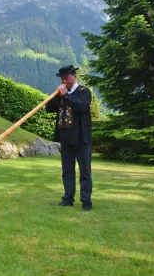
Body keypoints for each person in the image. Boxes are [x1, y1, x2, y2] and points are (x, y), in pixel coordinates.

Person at [45, 65, 93, 211]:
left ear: (74, 76)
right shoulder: (61, 93)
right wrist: (57, 95)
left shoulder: (84, 91)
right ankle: (68, 199)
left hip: (81, 138)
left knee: (85, 171)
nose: (64, 80)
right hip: (66, 138)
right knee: (67, 171)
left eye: (66, 77)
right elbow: (49, 108)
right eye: (62, 78)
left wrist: (66, 95)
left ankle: (86, 202)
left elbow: (82, 108)